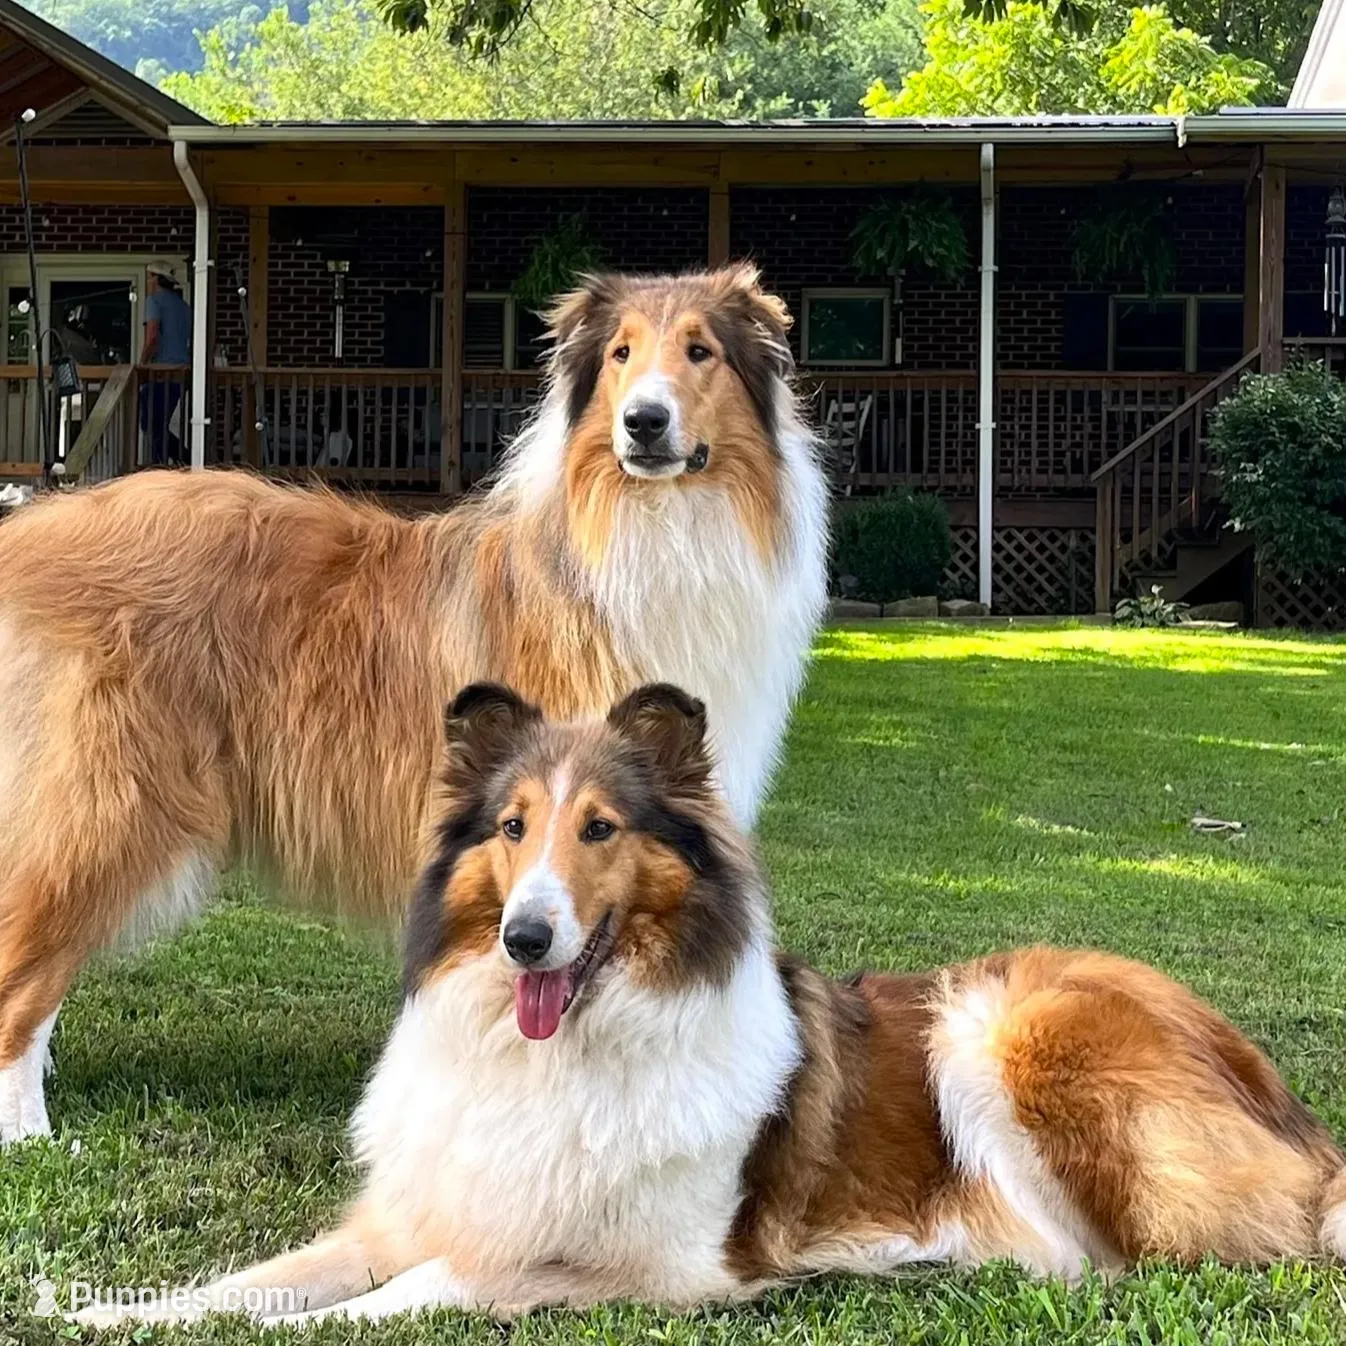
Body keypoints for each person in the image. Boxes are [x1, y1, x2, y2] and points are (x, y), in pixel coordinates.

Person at [139, 259, 191, 466]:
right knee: (159, 424)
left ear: (156, 279)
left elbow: (152, 336)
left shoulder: (154, 301)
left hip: (161, 371)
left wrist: (143, 363)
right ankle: (166, 463)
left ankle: (172, 462)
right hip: (180, 373)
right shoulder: (183, 306)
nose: (147, 281)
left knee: (150, 424)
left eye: (149, 276)